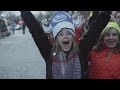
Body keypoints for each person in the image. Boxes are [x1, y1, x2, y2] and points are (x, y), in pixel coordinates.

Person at [20, 11, 110, 79]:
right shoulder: (49, 53)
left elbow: (95, 30)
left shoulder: (81, 50)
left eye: (69, 33)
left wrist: (106, 13)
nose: (65, 36)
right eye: (61, 34)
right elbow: (36, 31)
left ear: (73, 36)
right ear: (56, 38)